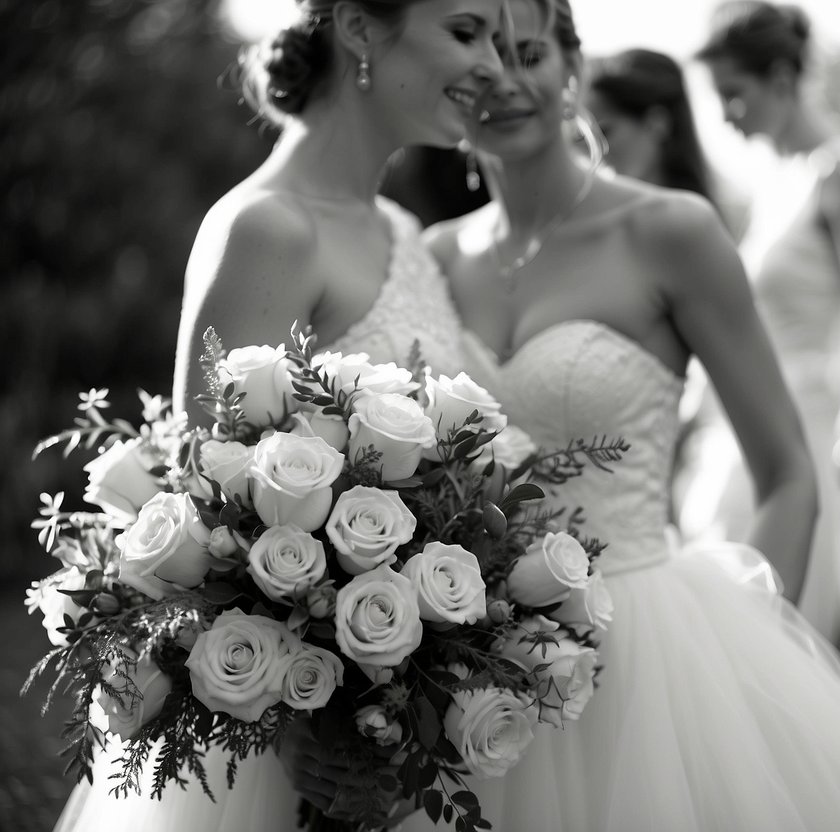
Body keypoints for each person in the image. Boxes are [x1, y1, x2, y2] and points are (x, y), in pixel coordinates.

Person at [394, 1, 840, 828]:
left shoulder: (669, 232)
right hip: (465, 662)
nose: (504, 82)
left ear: (572, 69)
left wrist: (750, 666)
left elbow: (786, 475)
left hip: (644, 648)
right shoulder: (432, 257)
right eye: (478, 60)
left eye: (528, 54)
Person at [52, 1, 504, 830]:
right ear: (362, 29)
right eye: (467, 32)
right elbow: (204, 507)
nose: (496, 71)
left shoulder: (401, 229)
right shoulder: (267, 228)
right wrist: (291, 710)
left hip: (380, 707)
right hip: (289, 740)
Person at [687, 0, 840, 705]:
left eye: (734, 92)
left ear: (782, 77)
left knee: (809, 640)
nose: (724, 113)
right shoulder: (773, 181)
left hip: (824, 430)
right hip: (756, 425)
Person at [583, 49, 715, 204]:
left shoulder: (705, 216)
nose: (595, 151)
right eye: (586, 137)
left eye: (605, 132)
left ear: (657, 123)